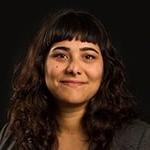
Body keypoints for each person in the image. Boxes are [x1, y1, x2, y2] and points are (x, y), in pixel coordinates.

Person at [0, 9, 150, 150]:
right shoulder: (12, 136)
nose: (74, 68)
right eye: (61, 55)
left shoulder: (139, 139)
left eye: (88, 57)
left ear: (105, 69)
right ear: (41, 65)